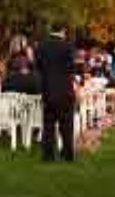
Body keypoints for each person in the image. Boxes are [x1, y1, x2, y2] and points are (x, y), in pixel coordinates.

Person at [35, 26, 77, 162]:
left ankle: (48, 155)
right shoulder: (68, 46)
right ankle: (67, 153)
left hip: (47, 89)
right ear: (63, 31)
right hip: (65, 90)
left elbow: (38, 67)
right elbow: (72, 68)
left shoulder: (41, 47)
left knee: (48, 125)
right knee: (67, 125)